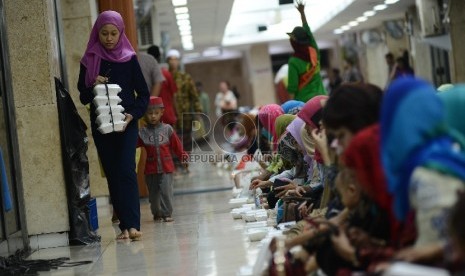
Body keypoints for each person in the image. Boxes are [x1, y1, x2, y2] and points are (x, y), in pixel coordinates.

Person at [77, 10, 149, 240]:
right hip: (102, 126)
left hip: (127, 124)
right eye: (104, 33)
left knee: (126, 169)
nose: (109, 38)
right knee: (113, 172)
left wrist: (132, 115)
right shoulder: (90, 59)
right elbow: (83, 96)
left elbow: (144, 95)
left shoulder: (129, 58)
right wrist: (92, 84)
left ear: (120, 34)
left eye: (113, 33)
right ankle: (124, 228)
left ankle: (133, 225)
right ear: (98, 33)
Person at [137, 97, 188, 222]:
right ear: (145, 114)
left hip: (166, 168)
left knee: (166, 192)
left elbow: (177, 146)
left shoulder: (167, 129)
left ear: (162, 112)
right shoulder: (142, 133)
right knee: (153, 196)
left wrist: (184, 157)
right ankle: (157, 213)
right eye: (150, 113)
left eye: (156, 113)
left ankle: (167, 214)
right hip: (150, 170)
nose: (153, 116)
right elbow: (132, 146)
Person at [287, 0, 327, 102]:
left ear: (294, 43)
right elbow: (308, 32)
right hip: (323, 98)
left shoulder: (293, 62)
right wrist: (302, 13)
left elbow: (292, 88)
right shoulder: (314, 51)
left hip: (305, 102)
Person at [167, 49, 203, 151]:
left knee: (186, 143)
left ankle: (185, 164)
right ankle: (177, 165)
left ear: (178, 61)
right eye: (171, 59)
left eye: (175, 59)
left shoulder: (185, 78)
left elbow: (194, 96)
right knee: (173, 142)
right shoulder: (164, 77)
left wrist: (198, 112)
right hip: (170, 117)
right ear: (167, 61)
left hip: (185, 116)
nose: (173, 62)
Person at [147, 45, 178, 126]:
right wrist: (177, 113)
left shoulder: (146, 75)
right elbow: (174, 96)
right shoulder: (166, 74)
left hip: (151, 115)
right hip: (167, 113)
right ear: (160, 57)